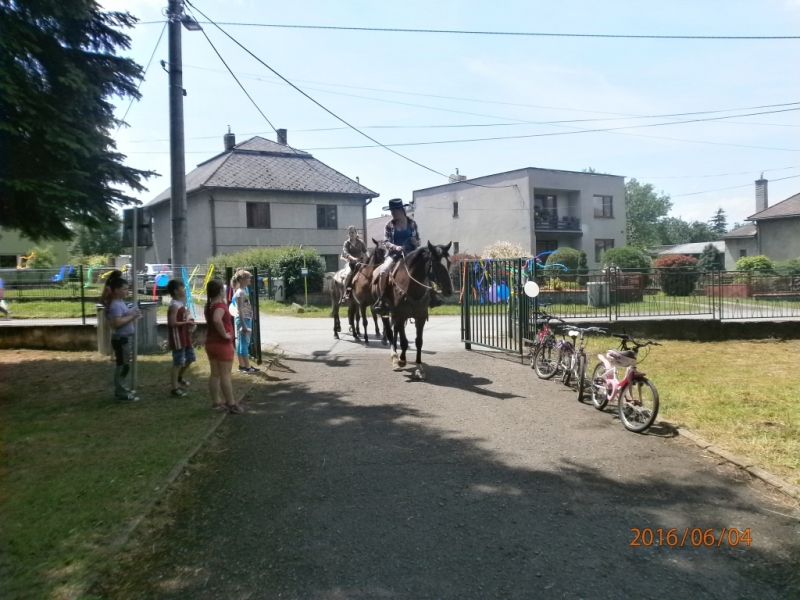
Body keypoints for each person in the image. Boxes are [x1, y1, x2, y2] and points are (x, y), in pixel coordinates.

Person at [372, 198, 444, 314]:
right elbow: (386, 242)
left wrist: (416, 242)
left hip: (412, 254)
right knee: (384, 271)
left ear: (401, 210)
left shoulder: (412, 223)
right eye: (391, 211)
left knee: (426, 268)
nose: (392, 213)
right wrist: (396, 247)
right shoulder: (389, 225)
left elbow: (418, 241)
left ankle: (433, 296)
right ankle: (382, 300)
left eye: (394, 211)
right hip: (394, 255)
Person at [205, 279, 243, 413]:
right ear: (221, 291)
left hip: (210, 343)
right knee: (225, 374)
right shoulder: (220, 306)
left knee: (215, 374)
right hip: (222, 345)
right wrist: (225, 335)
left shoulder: (209, 305)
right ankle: (231, 403)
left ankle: (216, 402)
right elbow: (216, 319)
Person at [106, 277, 141, 402]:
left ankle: (123, 389)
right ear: (116, 290)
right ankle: (121, 392)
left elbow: (123, 316)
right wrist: (132, 316)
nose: (127, 291)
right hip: (122, 339)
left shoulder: (120, 303)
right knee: (122, 366)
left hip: (126, 338)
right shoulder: (115, 305)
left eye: (127, 289)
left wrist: (132, 312)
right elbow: (117, 323)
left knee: (125, 365)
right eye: (125, 289)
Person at [166, 279, 196, 397]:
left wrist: (189, 320)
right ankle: (174, 389)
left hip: (185, 336)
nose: (184, 290)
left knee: (190, 358)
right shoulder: (174, 305)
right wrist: (186, 324)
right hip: (177, 337)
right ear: (176, 291)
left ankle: (179, 377)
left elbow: (186, 314)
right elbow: (172, 323)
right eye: (182, 288)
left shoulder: (180, 303)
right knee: (178, 362)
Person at [230, 269, 260, 374]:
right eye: (248, 277)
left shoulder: (243, 290)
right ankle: (247, 367)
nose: (250, 279)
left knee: (241, 343)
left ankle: (242, 365)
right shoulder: (240, 293)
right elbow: (240, 310)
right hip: (244, 320)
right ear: (242, 280)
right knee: (244, 343)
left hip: (245, 319)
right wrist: (243, 325)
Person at [339, 225, 368, 304]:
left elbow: (365, 251)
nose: (351, 234)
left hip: (360, 263)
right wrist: (353, 259)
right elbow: (345, 253)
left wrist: (367, 257)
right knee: (348, 274)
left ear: (356, 233)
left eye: (353, 232)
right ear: (348, 234)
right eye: (350, 233)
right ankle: (346, 293)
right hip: (350, 263)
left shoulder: (361, 242)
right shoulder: (346, 243)